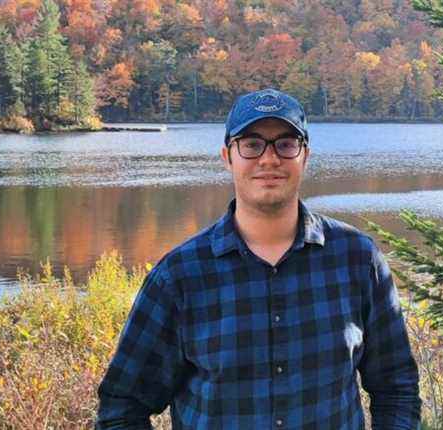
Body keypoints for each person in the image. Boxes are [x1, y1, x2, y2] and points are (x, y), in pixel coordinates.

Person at [96, 88, 421, 429]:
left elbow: (396, 389)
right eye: (251, 144)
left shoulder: (357, 260)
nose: (269, 159)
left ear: (305, 155)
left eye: (286, 143)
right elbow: (122, 408)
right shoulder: (179, 276)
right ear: (227, 156)